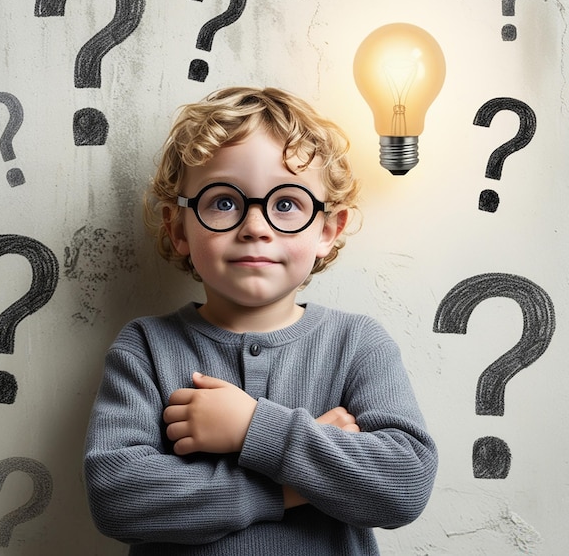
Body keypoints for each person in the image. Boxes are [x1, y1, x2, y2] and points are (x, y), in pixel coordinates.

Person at [84, 87, 437, 555]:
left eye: (287, 203)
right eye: (224, 202)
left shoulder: (358, 344)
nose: (255, 226)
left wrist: (253, 427)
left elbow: (404, 483)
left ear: (327, 230)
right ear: (178, 228)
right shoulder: (146, 346)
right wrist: (287, 489)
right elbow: (118, 497)